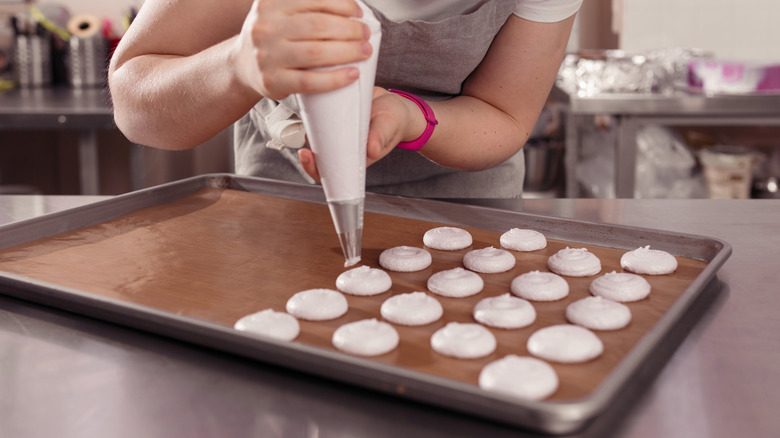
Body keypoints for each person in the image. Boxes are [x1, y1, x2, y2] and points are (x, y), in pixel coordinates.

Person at [108, 0, 581, 198]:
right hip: (286, 203)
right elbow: (134, 103)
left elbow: (504, 114)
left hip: (467, 205)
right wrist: (236, 65)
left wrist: (410, 117)